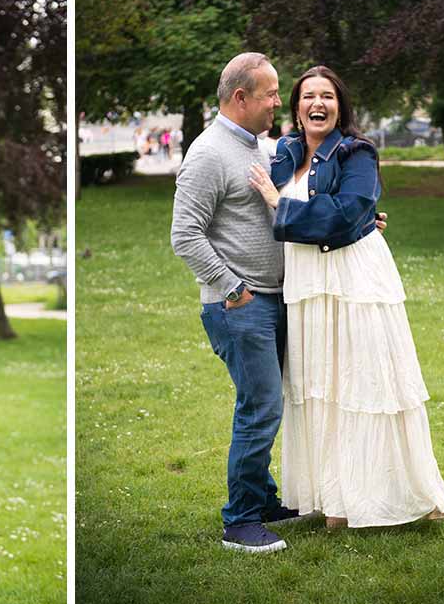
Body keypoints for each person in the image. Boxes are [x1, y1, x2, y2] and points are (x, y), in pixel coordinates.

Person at [248, 66, 444, 529]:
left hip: (353, 281)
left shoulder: (358, 152)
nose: (317, 104)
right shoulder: (284, 152)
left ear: (340, 106)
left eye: (327, 96)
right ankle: (334, 499)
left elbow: (345, 214)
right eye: (307, 97)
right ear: (296, 107)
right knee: (320, 389)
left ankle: (379, 497)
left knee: (362, 384)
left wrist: (282, 206)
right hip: (307, 287)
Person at [170, 52, 299, 553]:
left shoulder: (258, 147)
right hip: (240, 306)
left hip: (272, 299)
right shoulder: (208, 153)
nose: (276, 101)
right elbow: (184, 234)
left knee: (268, 404)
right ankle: (241, 521)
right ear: (240, 97)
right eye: (269, 93)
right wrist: (232, 288)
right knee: (260, 406)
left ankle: (263, 500)